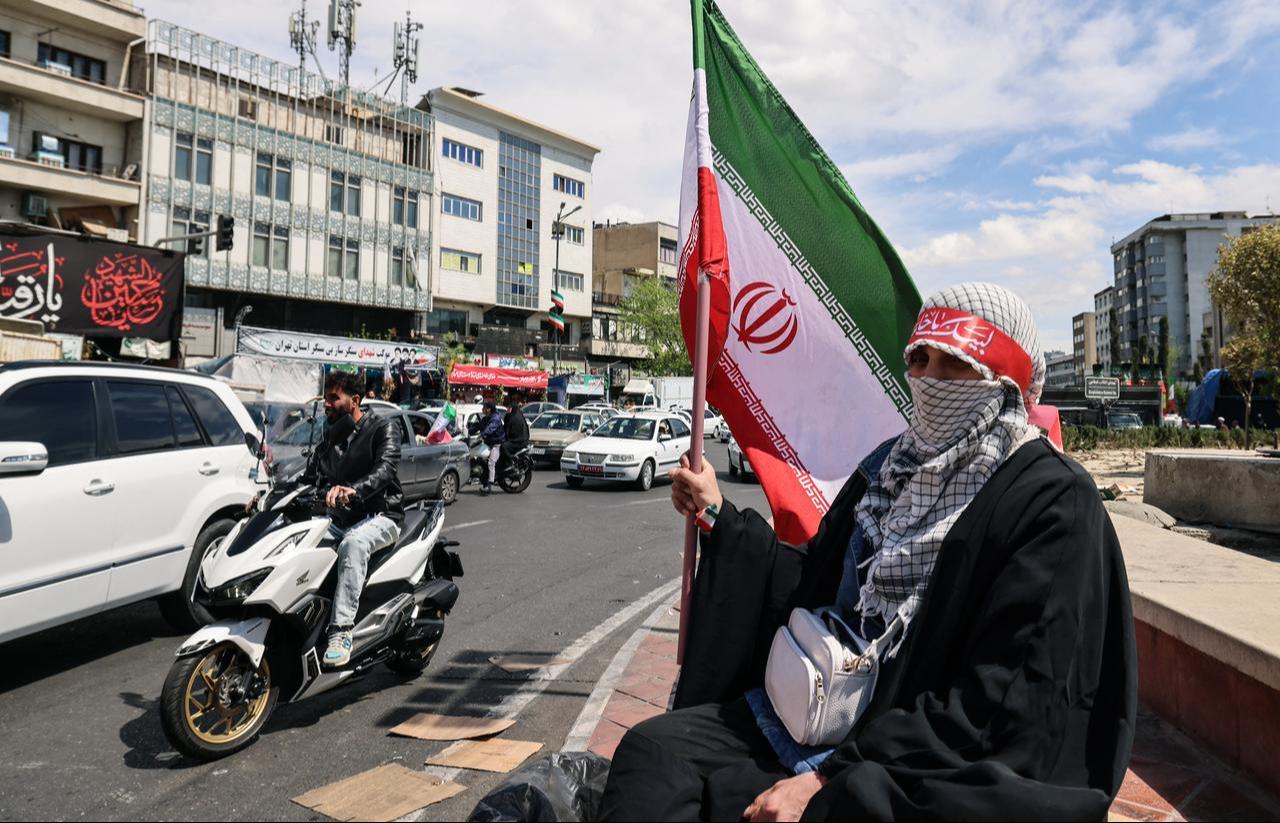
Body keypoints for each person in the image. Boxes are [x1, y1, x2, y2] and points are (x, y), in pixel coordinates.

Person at [600, 283, 1137, 821]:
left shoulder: (1051, 501)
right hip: (804, 713)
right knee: (653, 754)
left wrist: (830, 779)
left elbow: (1008, 698)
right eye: (919, 360)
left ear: (1008, 385)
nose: (930, 381)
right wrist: (718, 515)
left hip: (911, 760)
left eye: (954, 364)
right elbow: (811, 582)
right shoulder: (888, 468)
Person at [304, 371, 404, 668]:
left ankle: (341, 631)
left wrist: (353, 490)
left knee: (353, 544)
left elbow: (385, 469)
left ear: (355, 401)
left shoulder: (382, 427)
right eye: (325, 399)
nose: (327, 405)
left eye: (334, 398)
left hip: (381, 514)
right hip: (340, 517)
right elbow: (310, 475)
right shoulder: (329, 434)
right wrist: (269, 495)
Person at [478, 400, 506, 495]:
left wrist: (483, 434)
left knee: (491, 462)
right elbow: (480, 425)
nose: (483, 409)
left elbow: (490, 429)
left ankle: (489, 486)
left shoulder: (495, 418)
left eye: (484, 407)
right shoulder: (487, 417)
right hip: (489, 442)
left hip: (496, 444)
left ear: (489, 409)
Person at [502, 396, 529, 467]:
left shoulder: (516, 418)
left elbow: (511, 432)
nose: (507, 410)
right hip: (517, 439)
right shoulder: (511, 416)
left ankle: (510, 461)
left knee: (504, 446)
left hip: (519, 441)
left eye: (509, 408)